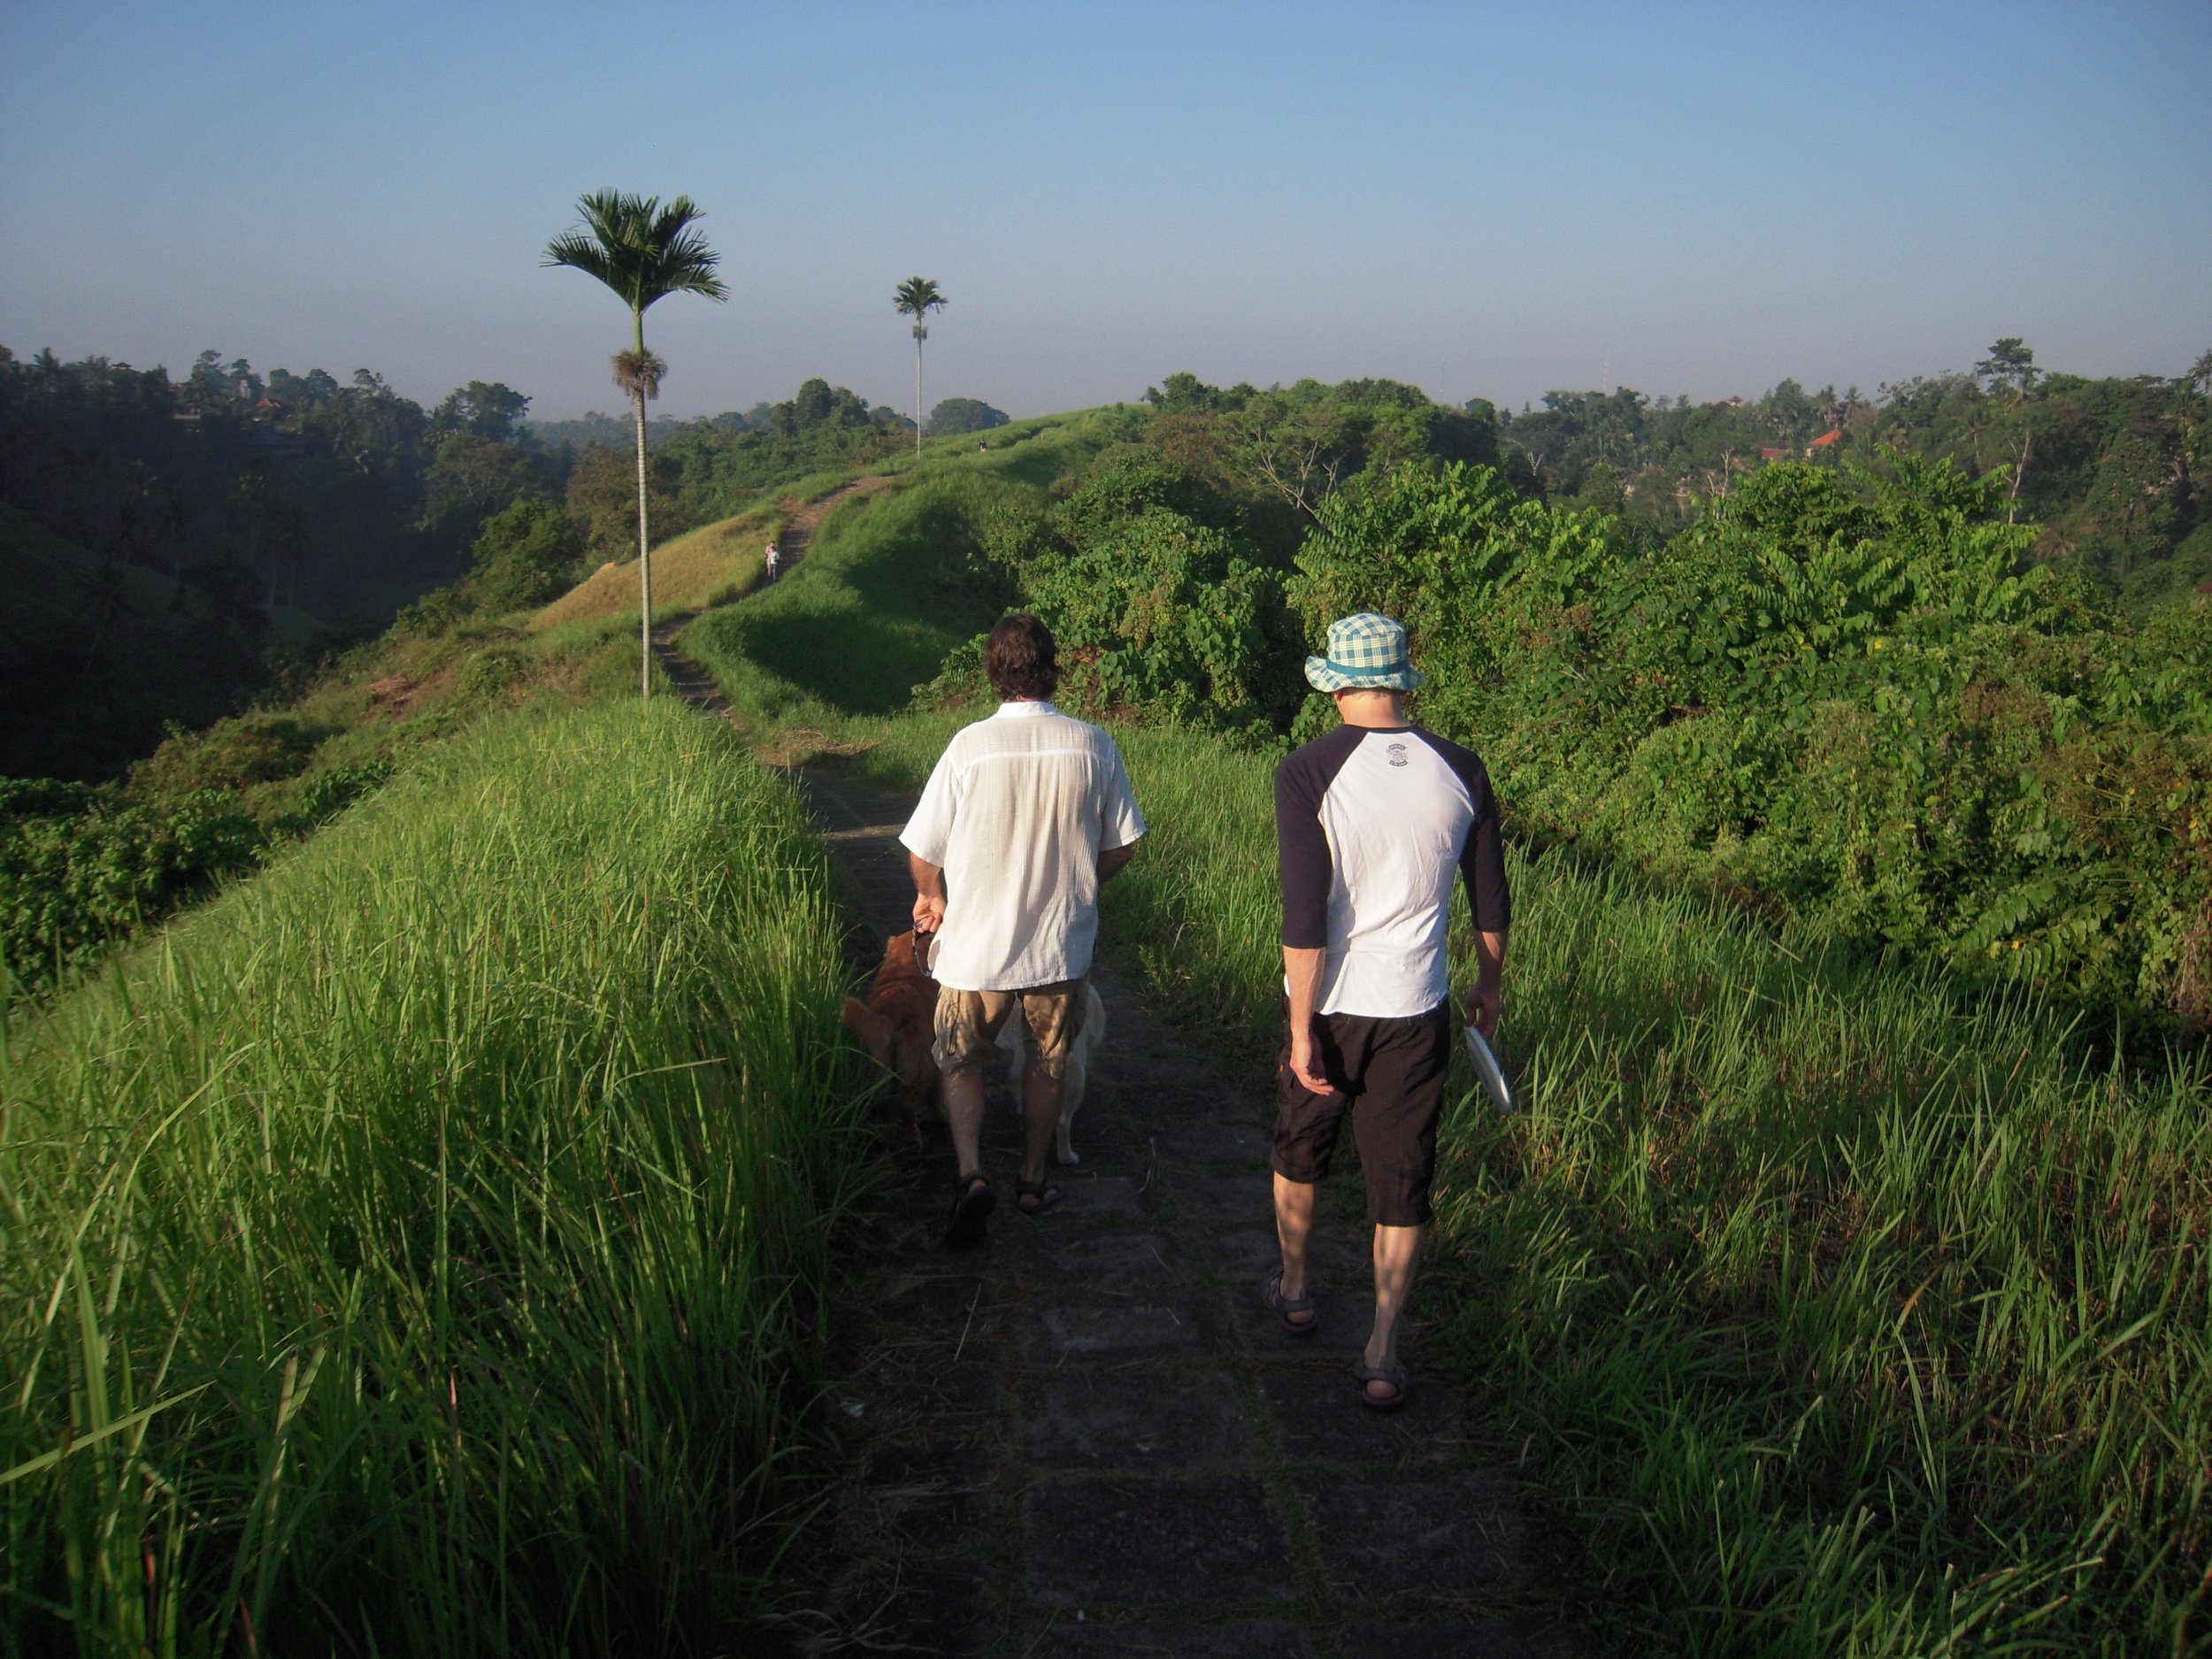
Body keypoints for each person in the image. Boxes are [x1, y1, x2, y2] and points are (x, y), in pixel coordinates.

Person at [1264, 611, 1510, 1411]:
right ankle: (1381, 1348)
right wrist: (1489, 984)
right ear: (1403, 682)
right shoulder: (1463, 769)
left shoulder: (1306, 771)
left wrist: (1301, 1030)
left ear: (1336, 684)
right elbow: (1490, 897)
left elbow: (1305, 919)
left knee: (1302, 1141)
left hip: (1333, 1004)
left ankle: (1297, 1286)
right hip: (1418, 1007)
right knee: (1402, 1176)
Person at [901, 613, 1146, 1244]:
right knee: (1047, 1061)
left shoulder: (968, 747)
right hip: (1059, 948)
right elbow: (1122, 846)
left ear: (993, 671)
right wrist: (1079, 888)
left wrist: (933, 897)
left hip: (975, 949)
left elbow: (924, 849)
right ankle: (1033, 1179)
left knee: (961, 1061)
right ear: (1052, 668)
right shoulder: (1094, 744)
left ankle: (971, 1172)